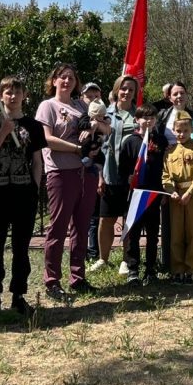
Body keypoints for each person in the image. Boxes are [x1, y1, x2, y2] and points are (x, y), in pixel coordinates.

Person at [0, 75, 47, 321]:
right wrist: (3, 133)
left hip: (23, 194)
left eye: (17, 91)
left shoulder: (34, 126)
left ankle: (19, 295)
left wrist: (35, 187)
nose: (12, 96)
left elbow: (37, 161)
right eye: (7, 91)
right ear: (1, 95)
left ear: (24, 95)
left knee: (21, 248)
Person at [36, 63, 108, 300]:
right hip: (61, 172)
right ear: (54, 80)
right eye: (62, 77)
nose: (66, 81)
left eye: (71, 78)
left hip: (85, 173)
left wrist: (96, 128)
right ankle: (52, 281)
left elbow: (106, 128)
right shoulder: (48, 106)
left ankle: (78, 278)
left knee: (81, 225)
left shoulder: (80, 105)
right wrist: (78, 149)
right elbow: (47, 139)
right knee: (58, 227)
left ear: (76, 82)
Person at [91, 74, 140, 272]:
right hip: (110, 174)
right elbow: (99, 149)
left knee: (129, 220)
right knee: (106, 218)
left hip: (132, 177)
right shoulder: (106, 115)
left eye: (131, 89)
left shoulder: (139, 115)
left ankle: (126, 260)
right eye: (123, 88)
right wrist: (100, 175)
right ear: (117, 90)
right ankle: (103, 258)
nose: (126, 92)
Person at [117, 104, 163, 285]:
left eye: (152, 117)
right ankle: (133, 269)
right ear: (137, 120)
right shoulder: (130, 141)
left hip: (154, 193)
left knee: (153, 234)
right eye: (144, 117)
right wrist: (127, 179)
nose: (148, 120)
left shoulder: (160, 141)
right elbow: (122, 169)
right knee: (133, 234)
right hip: (135, 194)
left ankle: (151, 269)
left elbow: (164, 167)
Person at [163, 111, 193, 284]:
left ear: (191, 130)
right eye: (178, 131)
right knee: (176, 235)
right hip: (176, 197)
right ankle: (177, 269)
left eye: (185, 130)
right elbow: (166, 175)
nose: (181, 134)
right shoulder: (170, 152)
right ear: (174, 130)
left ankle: (192, 269)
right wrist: (170, 190)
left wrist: (190, 193)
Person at [82, 80, 106, 263]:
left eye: (96, 96)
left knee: (95, 216)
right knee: (84, 216)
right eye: (88, 96)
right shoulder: (81, 117)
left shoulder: (106, 120)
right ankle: (83, 251)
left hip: (100, 170)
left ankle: (93, 252)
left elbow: (108, 131)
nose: (92, 100)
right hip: (80, 169)